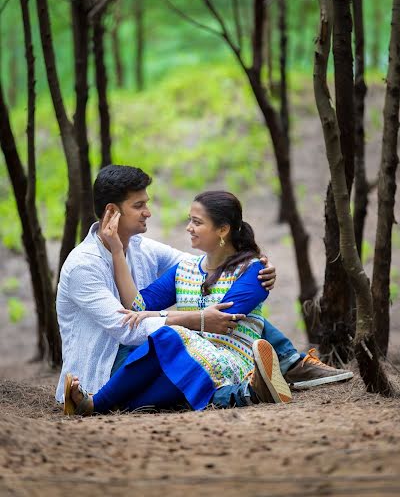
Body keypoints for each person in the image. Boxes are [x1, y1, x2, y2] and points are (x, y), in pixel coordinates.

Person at [55, 165, 352, 404]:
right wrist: (197, 319)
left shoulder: (141, 247)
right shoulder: (85, 265)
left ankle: (278, 370)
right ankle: (277, 372)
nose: (148, 211)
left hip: (150, 349)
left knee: (188, 345)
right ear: (112, 212)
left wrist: (254, 264)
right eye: (139, 205)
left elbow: (206, 268)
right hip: (107, 365)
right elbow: (126, 324)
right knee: (172, 346)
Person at [64, 190, 292, 414]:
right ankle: (248, 393)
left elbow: (223, 321)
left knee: (165, 337)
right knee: (166, 368)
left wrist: (155, 316)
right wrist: (117, 251)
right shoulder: (185, 269)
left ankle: (95, 403)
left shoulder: (253, 271)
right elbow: (137, 307)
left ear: (223, 229)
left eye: (196, 222)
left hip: (230, 360)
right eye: (189, 220)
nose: (188, 228)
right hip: (188, 357)